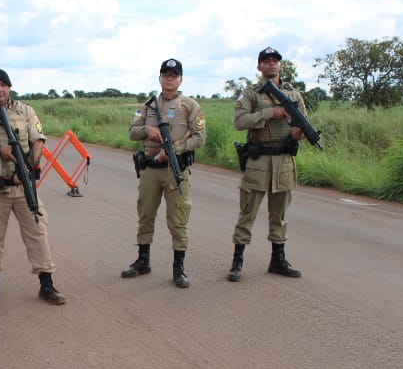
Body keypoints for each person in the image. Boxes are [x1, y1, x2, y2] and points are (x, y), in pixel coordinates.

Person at [0, 68, 66, 306]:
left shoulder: (25, 111)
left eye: (3, 85)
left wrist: (27, 167)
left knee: (38, 232)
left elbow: (38, 141)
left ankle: (46, 284)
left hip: (23, 186)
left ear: (9, 87)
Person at [121, 59, 207, 288]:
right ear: (159, 78)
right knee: (145, 215)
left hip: (175, 169)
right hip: (150, 168)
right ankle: (143, 261)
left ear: (180, 79)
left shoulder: (189, 105)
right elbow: (132, 132)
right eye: (165, 75)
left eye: (174, 75)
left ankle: (179, 268)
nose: (169, 78)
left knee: (178, 219)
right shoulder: (147, 106)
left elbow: (200, 137)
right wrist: (147, 130)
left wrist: (175, 150)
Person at [227, 47, 305, 282]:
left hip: (283, 160)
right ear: (259, 66)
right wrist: (271, 112)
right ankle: (237, 261)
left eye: (275, 61)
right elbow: (240, 122)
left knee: (279, 214)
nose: (272, 64)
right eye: (267, 61)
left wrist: (298, 132)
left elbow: (304, 122)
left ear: (281, 65)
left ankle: (278, 260)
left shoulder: (294, 94)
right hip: (259, 160)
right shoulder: (251, 94)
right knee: (247, 212)